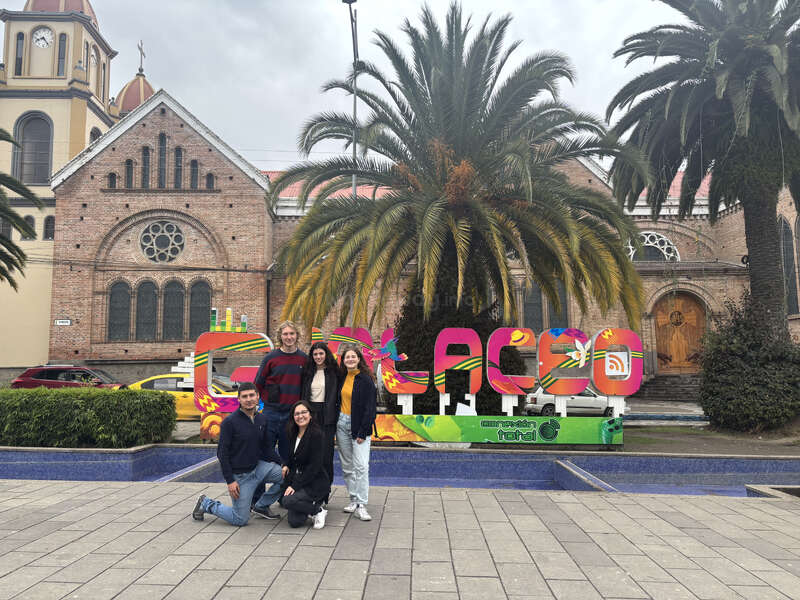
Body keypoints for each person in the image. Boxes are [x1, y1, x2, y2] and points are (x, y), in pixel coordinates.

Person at [192, 382, 283, 525]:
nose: (249, 399)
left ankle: (261, 506)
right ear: (239, 400)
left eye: (252, 395)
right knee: (240, 519)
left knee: (287, 476)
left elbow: (266, 449)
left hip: (258, 469)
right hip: (240, 477)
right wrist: (230, 481)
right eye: (244, 396)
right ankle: (206, 503)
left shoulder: (261, 419)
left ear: (258, 397)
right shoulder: (230, 422)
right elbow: (222, 453)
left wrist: (282, 464)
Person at [255, 321, 307, 462]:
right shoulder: (270, 358)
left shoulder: (304, 359)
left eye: (292, 333)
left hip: (292, 415)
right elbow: (258, 384)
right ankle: (260, 484)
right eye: (285, 334)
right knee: (264, 454)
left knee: (288, 456)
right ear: (280, 336)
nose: (289, 337)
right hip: (270, 413)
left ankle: (284, 485)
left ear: (297, 336)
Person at [336, 345, 377, 521]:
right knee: (347, 466)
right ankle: (353, 498)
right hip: (341, 423)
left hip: (359, 427)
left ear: (359, 359)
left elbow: (370, 409)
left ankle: (361, 504)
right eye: (347, 357)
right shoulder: (341, 377)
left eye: (353, 357)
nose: (350, 360)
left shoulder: (366, 379)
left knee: (361, 466)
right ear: (343, 360)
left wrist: (362, 431)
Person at [279, 400, 332, 528]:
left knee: (287, 500)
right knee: (294, 521)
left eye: (304, 412)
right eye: (297, 414)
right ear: (293, 416)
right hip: (299, 478)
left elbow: (314, 467)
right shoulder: (292, 432)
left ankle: (318, 511)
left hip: (314, 482)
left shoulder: (317, 435)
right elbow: (292, 456)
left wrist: (295, 487)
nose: (300, 416)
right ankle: (311, 504)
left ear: (310, 414)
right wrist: (286, 464)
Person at [300, 341, 339, 486]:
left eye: (321, 353)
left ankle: (325, 489)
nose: (318, 356)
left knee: (326, 454)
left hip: (327, 414)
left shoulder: (334, 372)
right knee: (310, 453)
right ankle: (310, 487)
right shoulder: (308, 372)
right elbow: (303, 394)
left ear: (326, 354)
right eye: (315, 354)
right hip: (310, 414)